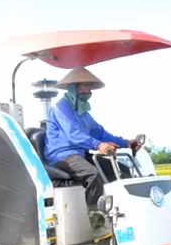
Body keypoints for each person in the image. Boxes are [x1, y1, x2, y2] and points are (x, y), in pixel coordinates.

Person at [43, 67, 143, 228]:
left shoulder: (82, 111)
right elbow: (73, 134)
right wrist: (98, 145)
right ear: (74, 88)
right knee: (93, 174)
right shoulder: (61, 108)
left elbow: (100, 133)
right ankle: (98, 226)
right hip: (61, 156)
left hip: (79, 153)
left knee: (120, 169)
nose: (89, 91)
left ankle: (127, 218)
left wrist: (126, 143)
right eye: (86, 86)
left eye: (90, 87)